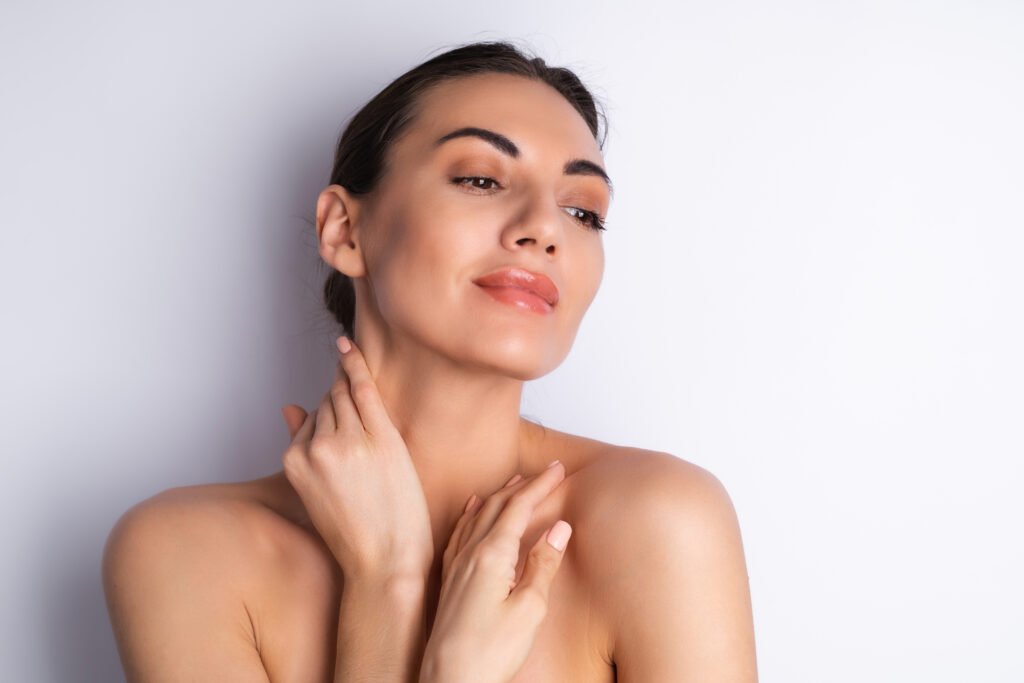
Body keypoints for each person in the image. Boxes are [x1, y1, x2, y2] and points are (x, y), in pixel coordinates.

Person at [101, 40, 758, 682]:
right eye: (480, 179)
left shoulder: (658, 523)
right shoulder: (182, 553)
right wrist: (387, 580)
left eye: (582, 210)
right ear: (344, 229)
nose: (545, 227)